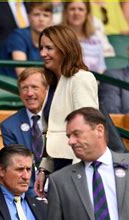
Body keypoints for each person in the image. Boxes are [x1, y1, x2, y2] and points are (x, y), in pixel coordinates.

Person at [34, 25, 98, 197]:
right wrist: (44, 169)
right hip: (59, 165)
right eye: (41, 48)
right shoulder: (55, 82)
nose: (42, 53)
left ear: (65, 48)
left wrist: (80, 172)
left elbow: (87, 129)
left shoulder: (80, 78)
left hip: (75, 165)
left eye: (49, 48)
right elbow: (52, 131)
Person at [0, 68, 48, 194]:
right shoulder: (9, 125)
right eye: (24, 88)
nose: (29, 93)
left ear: (46, 90)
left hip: (57, 187)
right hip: (28, 191)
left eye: (34, 87)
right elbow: (18, 167)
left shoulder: (58, 120)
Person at [0, 2, 53, 78]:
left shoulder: (53, 39)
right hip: (0, 84)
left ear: (51, 19)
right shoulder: (17, 36)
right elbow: (22, 75)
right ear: (28, 17)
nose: (41, 19)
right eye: (36, 14)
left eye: (46, 15)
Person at [60, 0, 106, 73]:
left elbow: (101, 68)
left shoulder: (96, 40)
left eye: (81, 9)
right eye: (72, 9)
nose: (76, 13)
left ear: (87, 13)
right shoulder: (58, 38)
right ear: (65, 12)